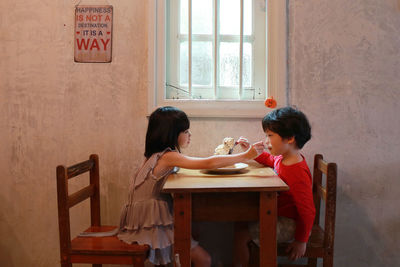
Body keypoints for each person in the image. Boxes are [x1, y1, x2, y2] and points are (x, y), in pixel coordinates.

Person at [118, 106, 258, 267]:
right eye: (185, 131)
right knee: (204, 259)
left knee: (195, 227)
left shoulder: (154, 155)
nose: (189, 135)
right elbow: (208, 162)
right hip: (152, 224)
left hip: (145, 219)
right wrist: (246, 156)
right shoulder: (168, 157)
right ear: (170, 134)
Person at [232, 106, 315, 266]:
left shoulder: (296, 172)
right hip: (280, 214)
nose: (266, 141)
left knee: (241, 234)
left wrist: (301, 241)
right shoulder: (283, 158)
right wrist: (251, 151)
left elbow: (308, 211)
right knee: (241, 223)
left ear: (290, 138)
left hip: (289, 223)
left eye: (270, 135)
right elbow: (270, 161)